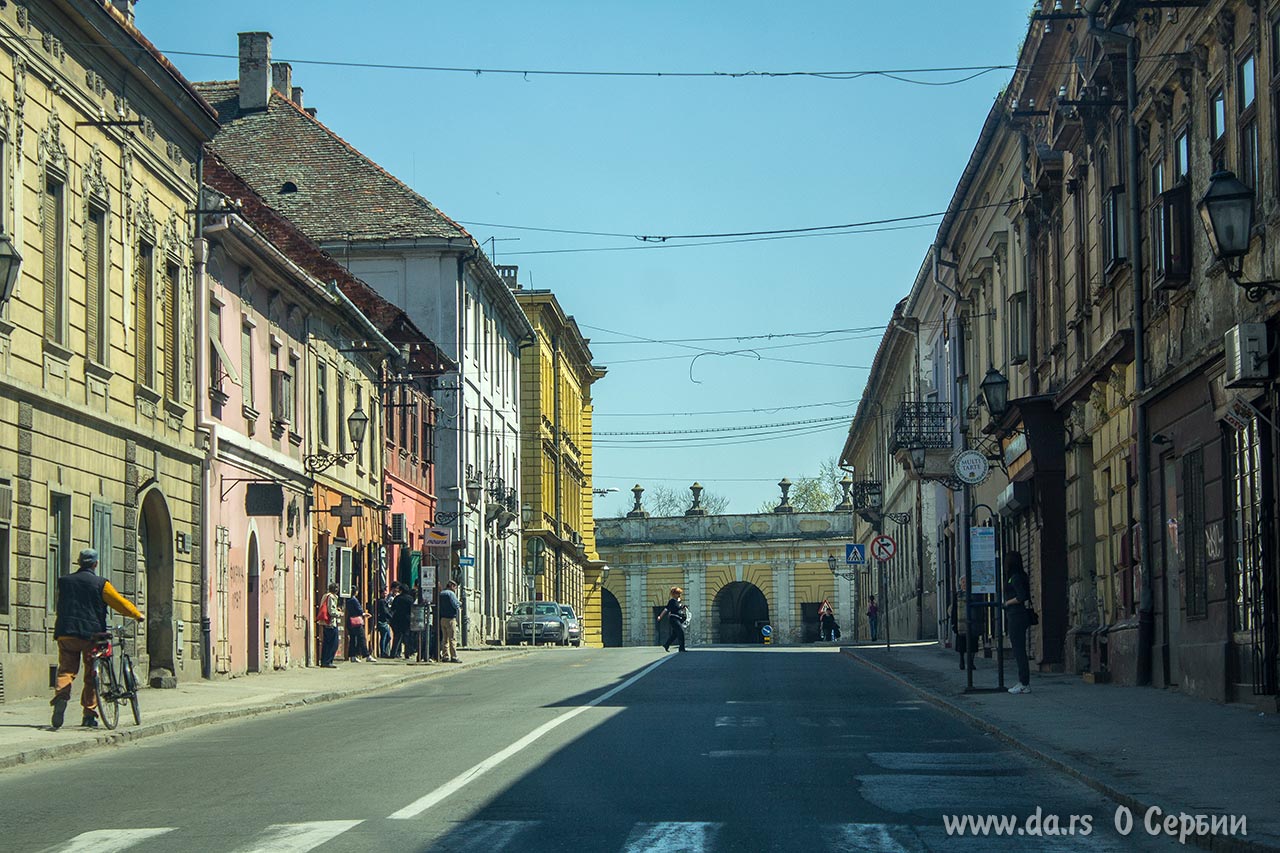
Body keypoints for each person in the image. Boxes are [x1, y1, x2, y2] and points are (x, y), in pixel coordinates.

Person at [50, 549, 145, 729]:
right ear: (95, 564)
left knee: (66, 670)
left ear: (79, 562)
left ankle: (61, 697)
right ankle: (89, 714)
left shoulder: (64, 581)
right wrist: (136, 614)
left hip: (66, 632)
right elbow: (119, 603)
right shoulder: (100, 584)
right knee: (91, 675)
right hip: (91, 635)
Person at [1004, 551, 1034, 694]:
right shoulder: (1022, 576)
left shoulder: (1015, 578)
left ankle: (1024, 683)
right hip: (1020, 616)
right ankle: (1023, 682)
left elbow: (1021, 597)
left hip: (1016, 615)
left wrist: (1007, 602)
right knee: (1020, 650)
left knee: (1019, 650)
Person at [657, 586, 687, 652]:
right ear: (674, 594)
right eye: (678, 593)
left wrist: (683, 608)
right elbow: (666, 609)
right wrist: (660, 616)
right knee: (681, 632)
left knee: (675, 634)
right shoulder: (672, 601)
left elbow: (680, 608)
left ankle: (666, 645)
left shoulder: (679, 601)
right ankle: (681, 648)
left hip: (678, 618)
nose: (679, 595)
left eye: (680, 593)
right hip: (673, 619)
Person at [438, 580, 461, 662]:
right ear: (451, 586)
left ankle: (445, 656)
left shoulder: (441, 593)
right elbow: (455, 605)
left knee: (445, 639)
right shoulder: (451, 594)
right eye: (455, 587)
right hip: (450, 619)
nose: (455, 589)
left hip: (442, 618)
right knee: (452, 639)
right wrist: (460, 604)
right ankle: (454, 656)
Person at [344, 590, 371, 662]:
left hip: (349, 621)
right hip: (356, 621)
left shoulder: (347, 600)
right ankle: (366, 655)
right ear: (356, 592)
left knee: (353, 639)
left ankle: (352, 656)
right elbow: (359, 609)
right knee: (361, 638)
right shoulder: (354, 600)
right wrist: (364, 614)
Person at [319, 583, 341, 667]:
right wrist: (339, 613)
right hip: (330, 622)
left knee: (327, 643)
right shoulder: (331, 597)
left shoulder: (325, 596)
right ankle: (328, 661)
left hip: (325, 622)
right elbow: (331, 611)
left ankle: (324, 661)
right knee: (333, 643)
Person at [389, 583, 414, 659]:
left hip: (398, 619)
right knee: (407, 637)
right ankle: (407, 654)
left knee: (397, 637)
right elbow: (412, 609)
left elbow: (393, 608)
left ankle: (393, 653)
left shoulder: (397, 598)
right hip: (407, 619)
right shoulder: (410, 599)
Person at [376, 589, 394, 659]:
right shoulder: (381, 601)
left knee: (388, 637)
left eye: (386, 594)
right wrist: (390, 616)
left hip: (385, 621)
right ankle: (383, 652)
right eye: (384, 594)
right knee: (384, 636)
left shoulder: (384, 601)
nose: (385, 595)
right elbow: (384, 611)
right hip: (382, 621)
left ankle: (384, 651)